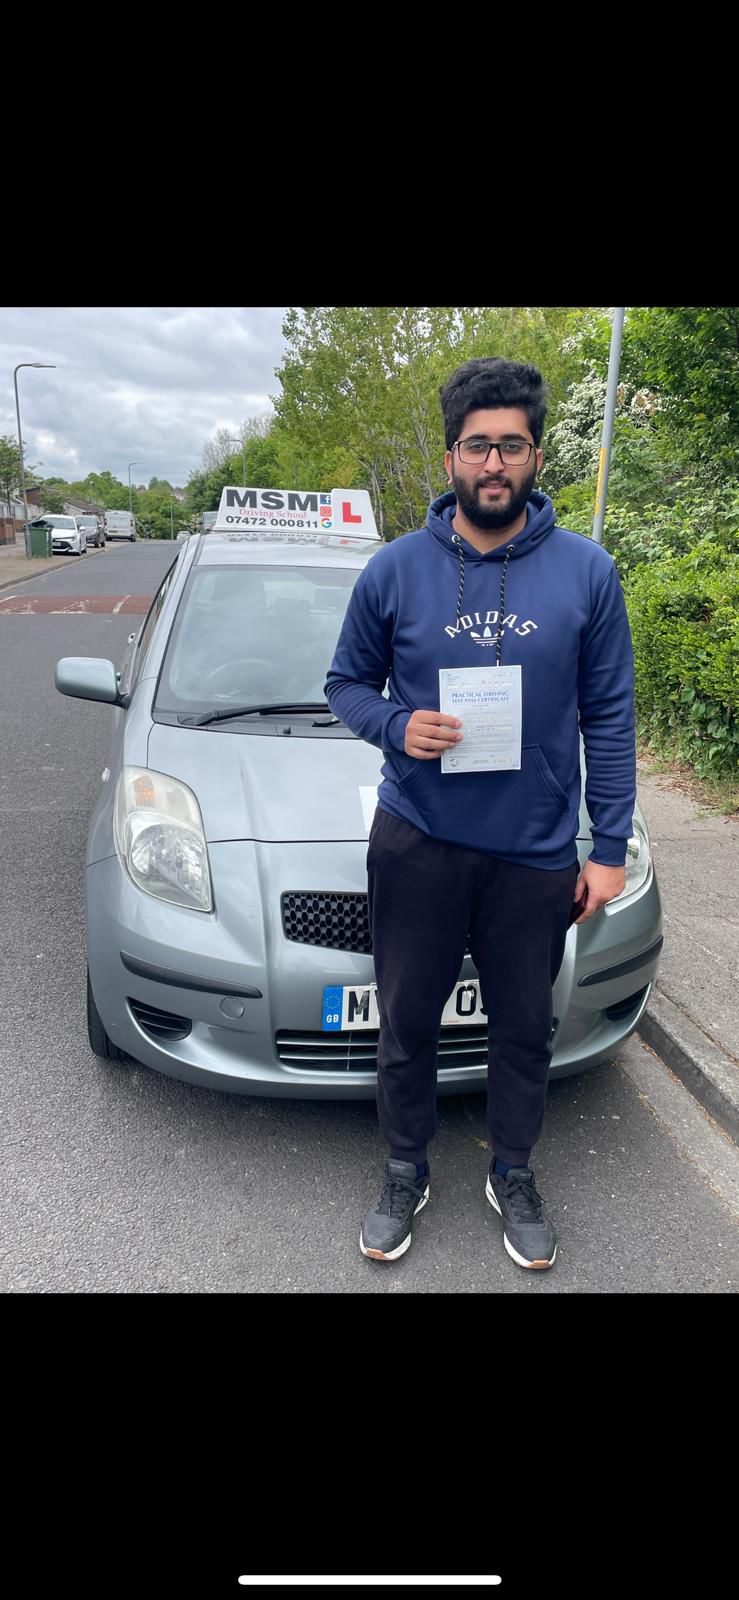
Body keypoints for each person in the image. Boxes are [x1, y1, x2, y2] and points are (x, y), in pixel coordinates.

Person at [325, 356, 636, 1270]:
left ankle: (512, 1168)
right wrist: (393, 724)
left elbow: (611, 716)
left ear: (536, 454)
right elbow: (344, 682)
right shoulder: (394, 570)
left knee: (523, 1028)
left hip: (534, 852)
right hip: (417, 839)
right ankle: (403, 1166)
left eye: (510, 445)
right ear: (451, 454)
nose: (492, 463)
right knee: (408, 1019)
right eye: (475, 446)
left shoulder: (587, 573)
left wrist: (605, 844)